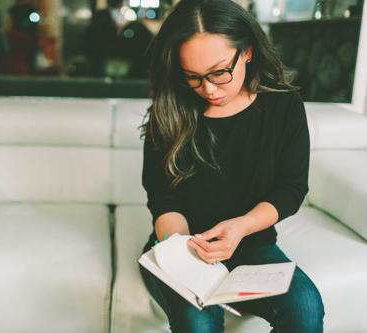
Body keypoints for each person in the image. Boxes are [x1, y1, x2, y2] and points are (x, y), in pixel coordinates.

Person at [138, 1, 325, 332]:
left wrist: (241, 227)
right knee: (198, 322)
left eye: (220, 72)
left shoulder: (283, 105)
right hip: (183, 250)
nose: (209, 89)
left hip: (253, 244)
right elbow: (163, 200)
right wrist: (181, 248)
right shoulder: (168, 113)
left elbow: (291, 187)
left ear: (248, 52)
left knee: (305, 307)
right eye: (193, 78)